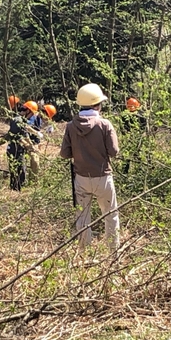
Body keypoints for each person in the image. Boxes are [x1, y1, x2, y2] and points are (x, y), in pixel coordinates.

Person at [60, 83, 120, 252]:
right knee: (110, 215)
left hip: (81, 178)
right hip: (103, 177)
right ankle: (113, 253)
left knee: (82, 217)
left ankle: (83, 252)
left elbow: (65, 154)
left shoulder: (71, 126)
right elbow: (114, 152)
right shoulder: (105, 124)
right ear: (97, 104)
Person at [6, 103, 42, 191]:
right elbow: (21, 138)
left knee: (21, 171)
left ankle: (17, 189)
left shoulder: (21, 120)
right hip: (14, 150)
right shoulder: (17, 121)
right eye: (32, 114)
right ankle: (15, 191)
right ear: (28, 111)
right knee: (18, 172)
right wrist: (32, 147)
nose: (31, 116)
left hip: (19, 149)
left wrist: (36, 133)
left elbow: (26, 129)